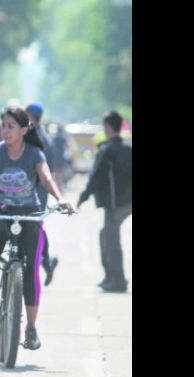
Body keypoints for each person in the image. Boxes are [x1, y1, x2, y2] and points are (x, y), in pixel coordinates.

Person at [0, 106, 76, 351]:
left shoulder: (35, 154)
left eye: (11, 126)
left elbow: (45, 177)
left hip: (30, 213)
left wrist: (60, 198)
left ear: (24, 130)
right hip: (3, 208)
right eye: (3, 125)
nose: (5, 130)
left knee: (31, 270)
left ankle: (31, 328)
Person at [77, 110, 132, 293]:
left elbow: (97, 176)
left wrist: (83, 196)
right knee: (105, 236)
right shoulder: (128, 147)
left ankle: (117, 281)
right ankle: (111, 276)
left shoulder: (107, 149)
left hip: (115, 204)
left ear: (108, 127)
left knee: (111, 241)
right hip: (126, 201)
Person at [25, 102, 59, 285]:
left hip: (36, 190)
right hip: (34, 189)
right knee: (33, 227)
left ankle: (45, 261)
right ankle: (46, 262)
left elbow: (46, 169)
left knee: (34, 227)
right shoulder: (43, 136)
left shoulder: (38, 137)